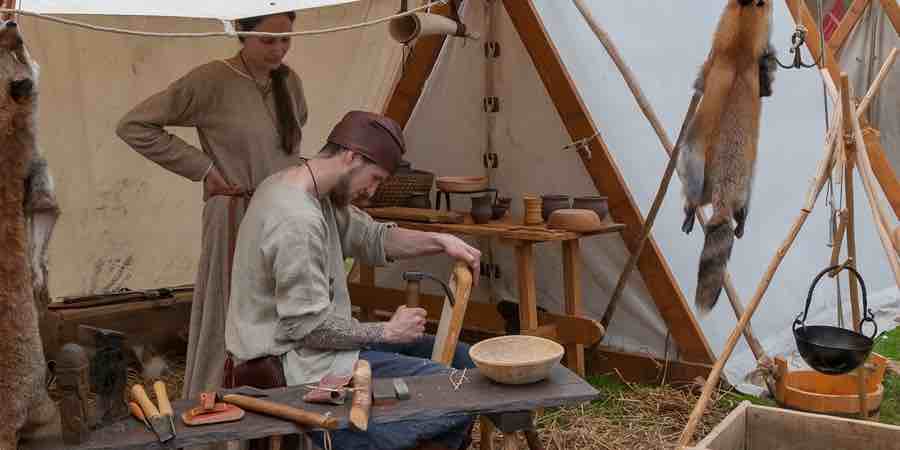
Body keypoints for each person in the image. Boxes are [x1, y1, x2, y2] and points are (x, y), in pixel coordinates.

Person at [225, 111, 481, 450]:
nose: (372, 192)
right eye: (373, 178)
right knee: (455, 390)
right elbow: (307, 328)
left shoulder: (310, 189)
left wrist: (440, 241)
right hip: (294, 364)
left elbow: (372, 237)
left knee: (465, 362)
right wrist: (386, 332)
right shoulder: (296, 220)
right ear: (352, 157)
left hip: (317, 349)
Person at [116, 11, 308, 401]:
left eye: (285, 39)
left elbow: (287, 150)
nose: (278, 49)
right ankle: (215, 413)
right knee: (230, 317)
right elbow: (135, 125)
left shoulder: (290, 82)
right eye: (267, 40)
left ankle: (277, 415)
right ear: (241, 33)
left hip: (284, 218)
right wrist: (204, 170)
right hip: (235, 215)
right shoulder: (210, 80)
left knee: (281, 315)